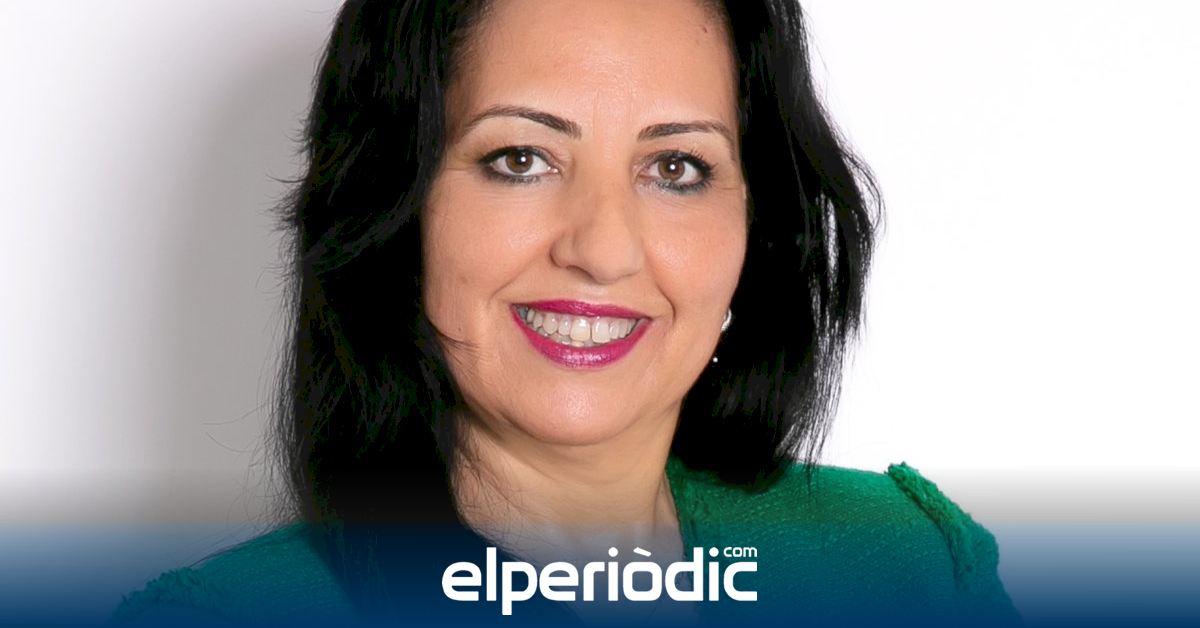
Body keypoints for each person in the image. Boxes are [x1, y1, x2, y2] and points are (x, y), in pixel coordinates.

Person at [113, 0, 1022, 626]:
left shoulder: (909, 566)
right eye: (520, 159)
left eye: (676, 168)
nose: (603, 247)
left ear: (758, 230)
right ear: (396, 211)